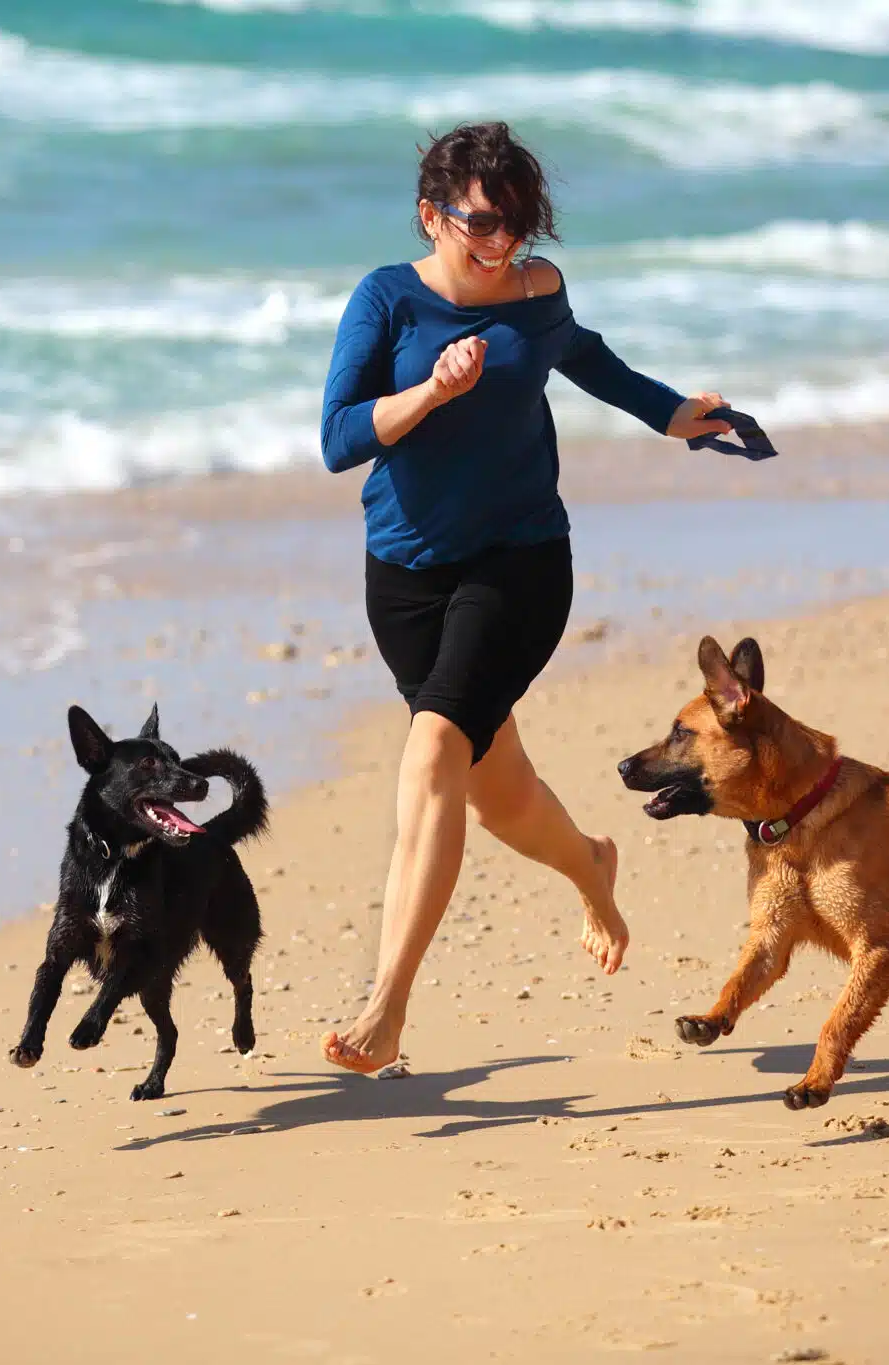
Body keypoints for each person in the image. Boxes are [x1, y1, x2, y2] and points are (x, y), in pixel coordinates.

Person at [317, 121, 732, 1074]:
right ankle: (592, 864)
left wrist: (674, 414)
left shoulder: (536, 294)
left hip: (523, 565)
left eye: (517, 224)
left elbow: (587, 358)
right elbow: (340, 438)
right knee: (494, 788)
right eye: (484, 223)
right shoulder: (385, 302)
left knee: (432, 750)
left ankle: (387, 1008)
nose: (504, 243)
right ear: (433, 216)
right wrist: (426, 392)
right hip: (407, 578)